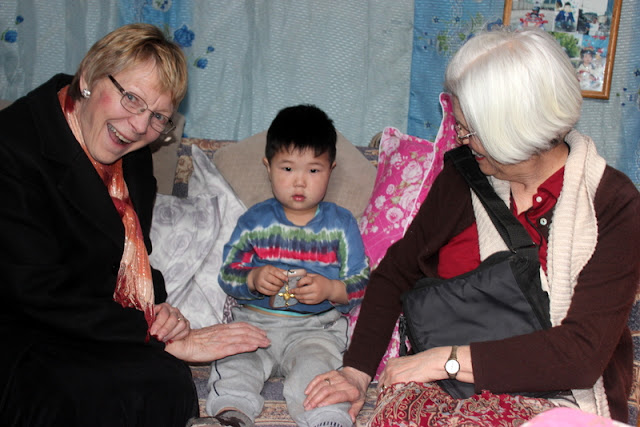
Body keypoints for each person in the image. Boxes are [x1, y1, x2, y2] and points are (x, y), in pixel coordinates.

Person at [304, 27, 640, 425]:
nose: (461, 139)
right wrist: (356, 373)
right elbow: (395, 273)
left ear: (514, 131)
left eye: (470, 130)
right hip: (443, 392)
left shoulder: (614, 205)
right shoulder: (463, 178)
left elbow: (581, 356)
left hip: (558, 400)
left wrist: (444, 360)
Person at [0, 23, 269, 427]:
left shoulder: (132, 154)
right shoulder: (12, 148)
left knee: (167, 382)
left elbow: (131, 254)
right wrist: (149, 331)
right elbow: (35, 289)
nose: (141, 126)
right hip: (20, 333)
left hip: (85, 327)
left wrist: (162, 315)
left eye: (158, 116)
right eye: (131, 98)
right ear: (88, 77)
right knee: (84, 395)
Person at [193, 105, 369, 427]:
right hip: (255, 324)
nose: (299, 182)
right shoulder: (254, 221)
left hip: (316, 330)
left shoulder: (341, 224)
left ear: (331, 170)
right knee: (235, 362)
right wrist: (253, 279)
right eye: (287, 168)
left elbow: (360, 284)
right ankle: (230, 416)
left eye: (313, 170)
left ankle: (327, 419)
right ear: (268, 166)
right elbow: (227, 274)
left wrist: (331, 289)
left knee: (317, 372)